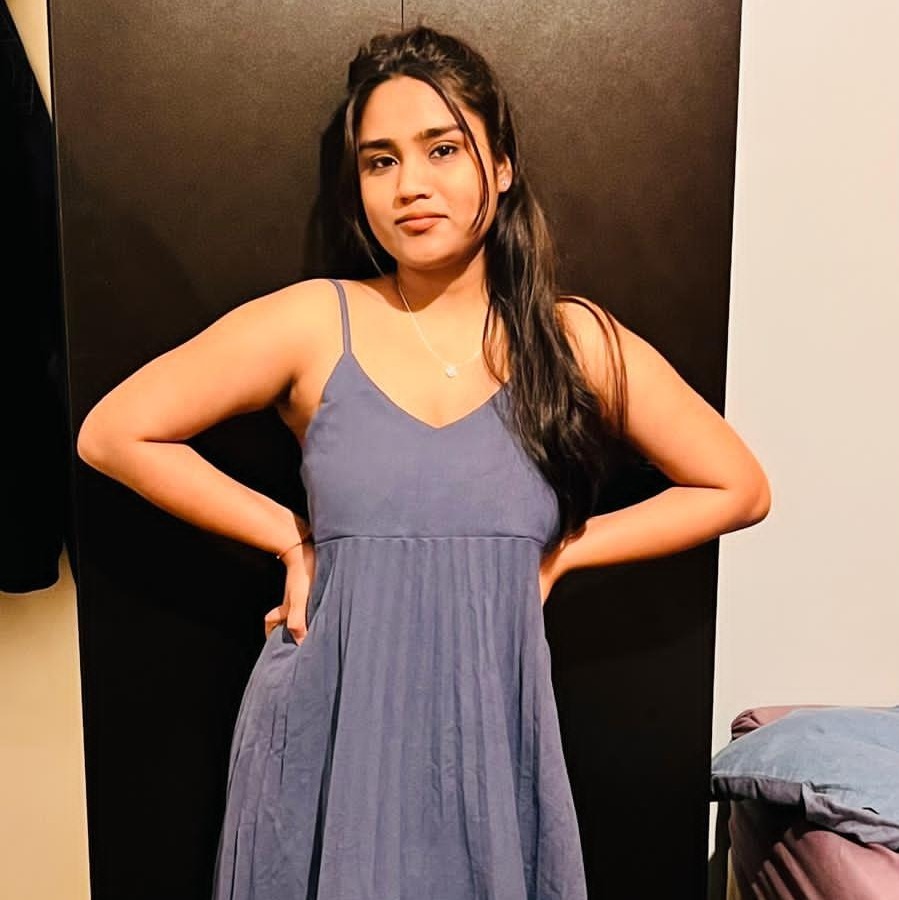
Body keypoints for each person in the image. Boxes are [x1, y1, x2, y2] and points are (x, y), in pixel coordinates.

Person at [77, 24, 770, 900]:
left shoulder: (568, 339)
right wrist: (289, 537)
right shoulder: (312, 322)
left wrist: (561, 552)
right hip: (329, 732)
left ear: (501, 166)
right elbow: (113, 433)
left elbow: (737, 486)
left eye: (442, 149)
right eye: (380, 161)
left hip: (486, 741)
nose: (410, 184)